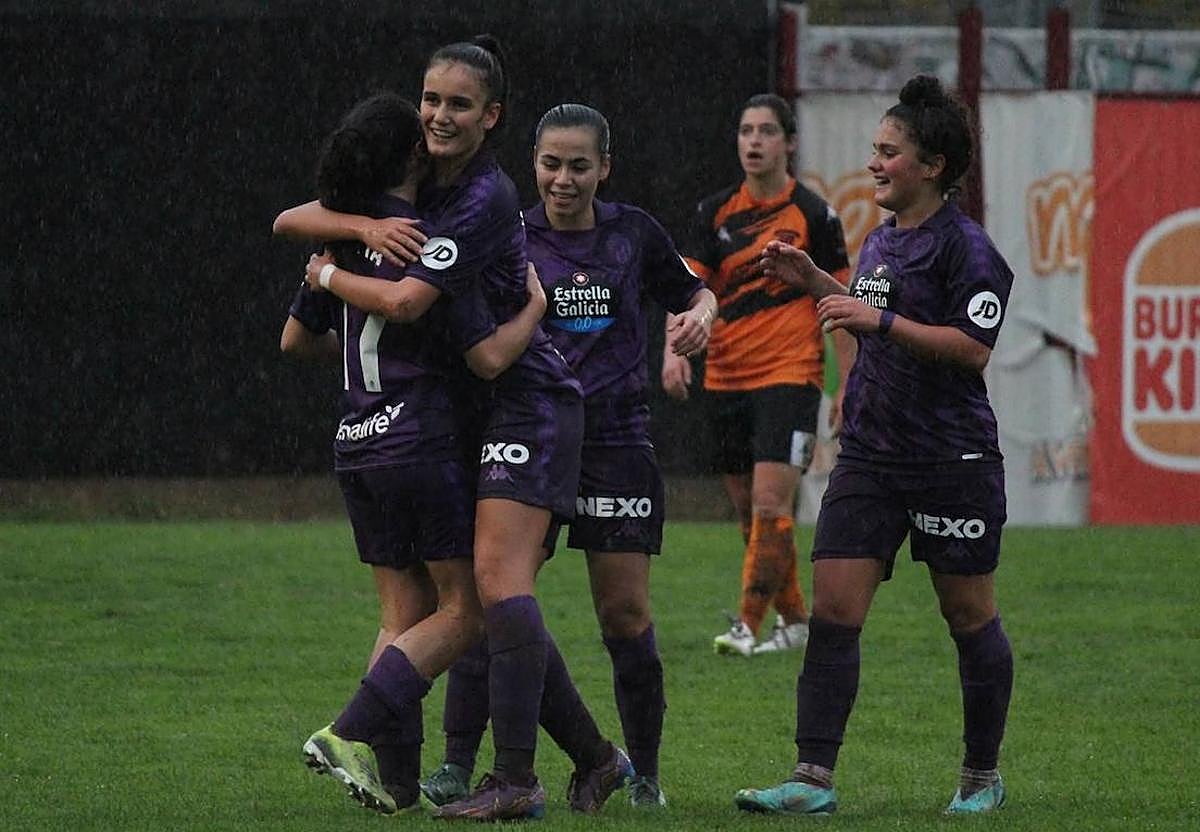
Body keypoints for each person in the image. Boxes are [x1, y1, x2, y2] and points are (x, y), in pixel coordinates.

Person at [279, 37, 627, 822]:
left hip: (525, 396)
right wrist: (359, 233)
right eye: (431, 99)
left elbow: (449, 332)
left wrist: (331, 268)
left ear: (491, 116)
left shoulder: (483, 198)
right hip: (462, 407)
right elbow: (293, 218)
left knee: (491, 594)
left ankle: (505, 780)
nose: (438, 114)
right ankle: (594, 760)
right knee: (483, 607)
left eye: (458, 104)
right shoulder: (409, 186)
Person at [418, 103, 717, 811]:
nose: (563, 178)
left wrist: (700, 315)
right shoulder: (509, 234)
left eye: (579, 165)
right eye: (551, 164)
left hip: (615, 442)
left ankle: (641, 772)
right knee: (496, 597)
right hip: (537, 434)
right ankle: (459, 764)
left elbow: (694, 289)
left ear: (603, 168)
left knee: (625, 617)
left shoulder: (634, 232)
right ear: (534, 165)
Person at [733, 75, 1014, 816]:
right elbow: (864, 312)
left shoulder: (969, 251)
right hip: (871, 456)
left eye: (889, 153)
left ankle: (981, 776)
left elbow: (971, 347)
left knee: (968, 616)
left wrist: (877, 322)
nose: (875, 164)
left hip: (951, 459)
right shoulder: (882, 239)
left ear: (935, 165)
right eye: (874, 150)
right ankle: (811, 779)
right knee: (834, 611)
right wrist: (813, 280)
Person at [665, 93, 854, 657]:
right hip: (725, 376)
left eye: (766, 131)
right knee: (751, 515)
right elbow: (686, 289)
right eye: (745, 131)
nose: (753, 141)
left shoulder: (816, 216)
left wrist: (848, 383)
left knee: (773, 507)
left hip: (790, 375)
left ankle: (747, 626)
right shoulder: (713, 213)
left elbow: (842, 303)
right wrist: (673, 350)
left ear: (789, 143)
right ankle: (795, 618)